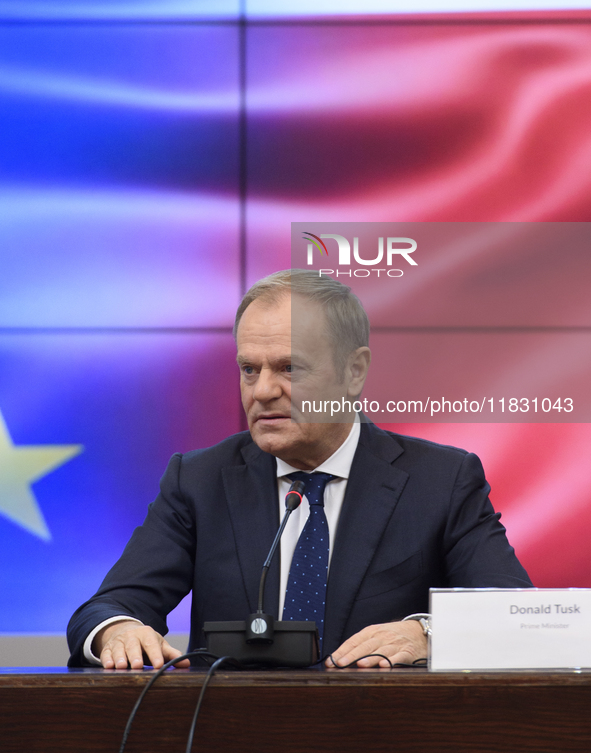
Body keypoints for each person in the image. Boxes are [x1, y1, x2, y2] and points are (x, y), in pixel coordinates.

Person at [67, 269, 531, 670]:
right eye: (249, 369)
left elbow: (515, 615)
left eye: (288, 368)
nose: (262, 391)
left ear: (354, 372)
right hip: (231, 739)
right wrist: (119, 631)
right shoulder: (199, 480)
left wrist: (428, 634)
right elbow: (106, 608)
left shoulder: (442, 481)